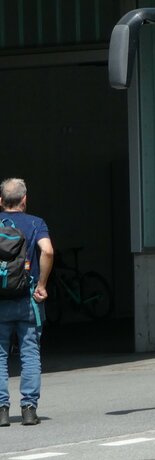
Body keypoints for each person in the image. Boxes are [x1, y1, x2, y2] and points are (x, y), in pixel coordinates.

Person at [0, 178, 53, 426]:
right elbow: (48, 250)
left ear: (1, 201)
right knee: (30, 353)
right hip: (28, 299)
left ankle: (2, 410)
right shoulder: (35, 223)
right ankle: (29, 409)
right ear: (24, 200)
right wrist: (41, 284)